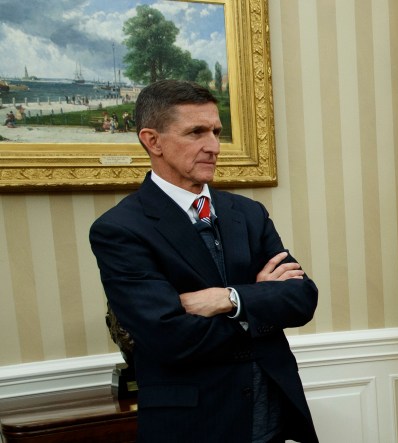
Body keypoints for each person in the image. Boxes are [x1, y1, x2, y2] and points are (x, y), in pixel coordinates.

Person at [90, 79, 319, 442]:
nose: (213, 146)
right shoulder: (119, 229)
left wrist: (227, 299)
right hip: (194, 425)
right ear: (153, 141)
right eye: (196, 132)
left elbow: (302, 299)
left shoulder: (248, 213)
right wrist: (257, 303)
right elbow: (170, 337)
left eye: (216, 131)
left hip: (273, 414)